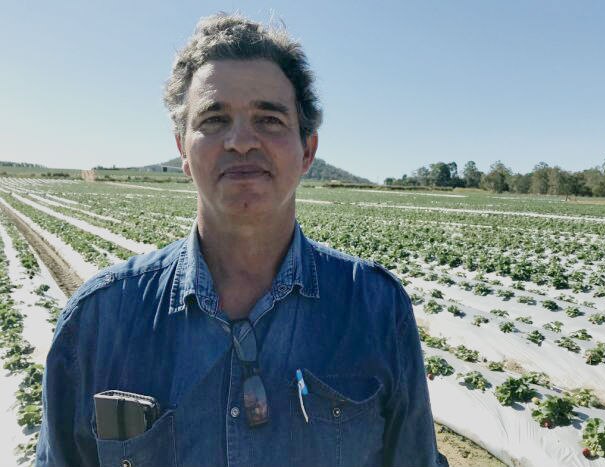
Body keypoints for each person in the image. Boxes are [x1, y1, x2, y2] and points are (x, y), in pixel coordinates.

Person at [36, 13, 448, 467]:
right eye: (214, 119)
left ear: (307, 149)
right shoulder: (98, 320)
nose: (240, 141)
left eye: (268, 119)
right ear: (183, 152)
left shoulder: (375, 308)